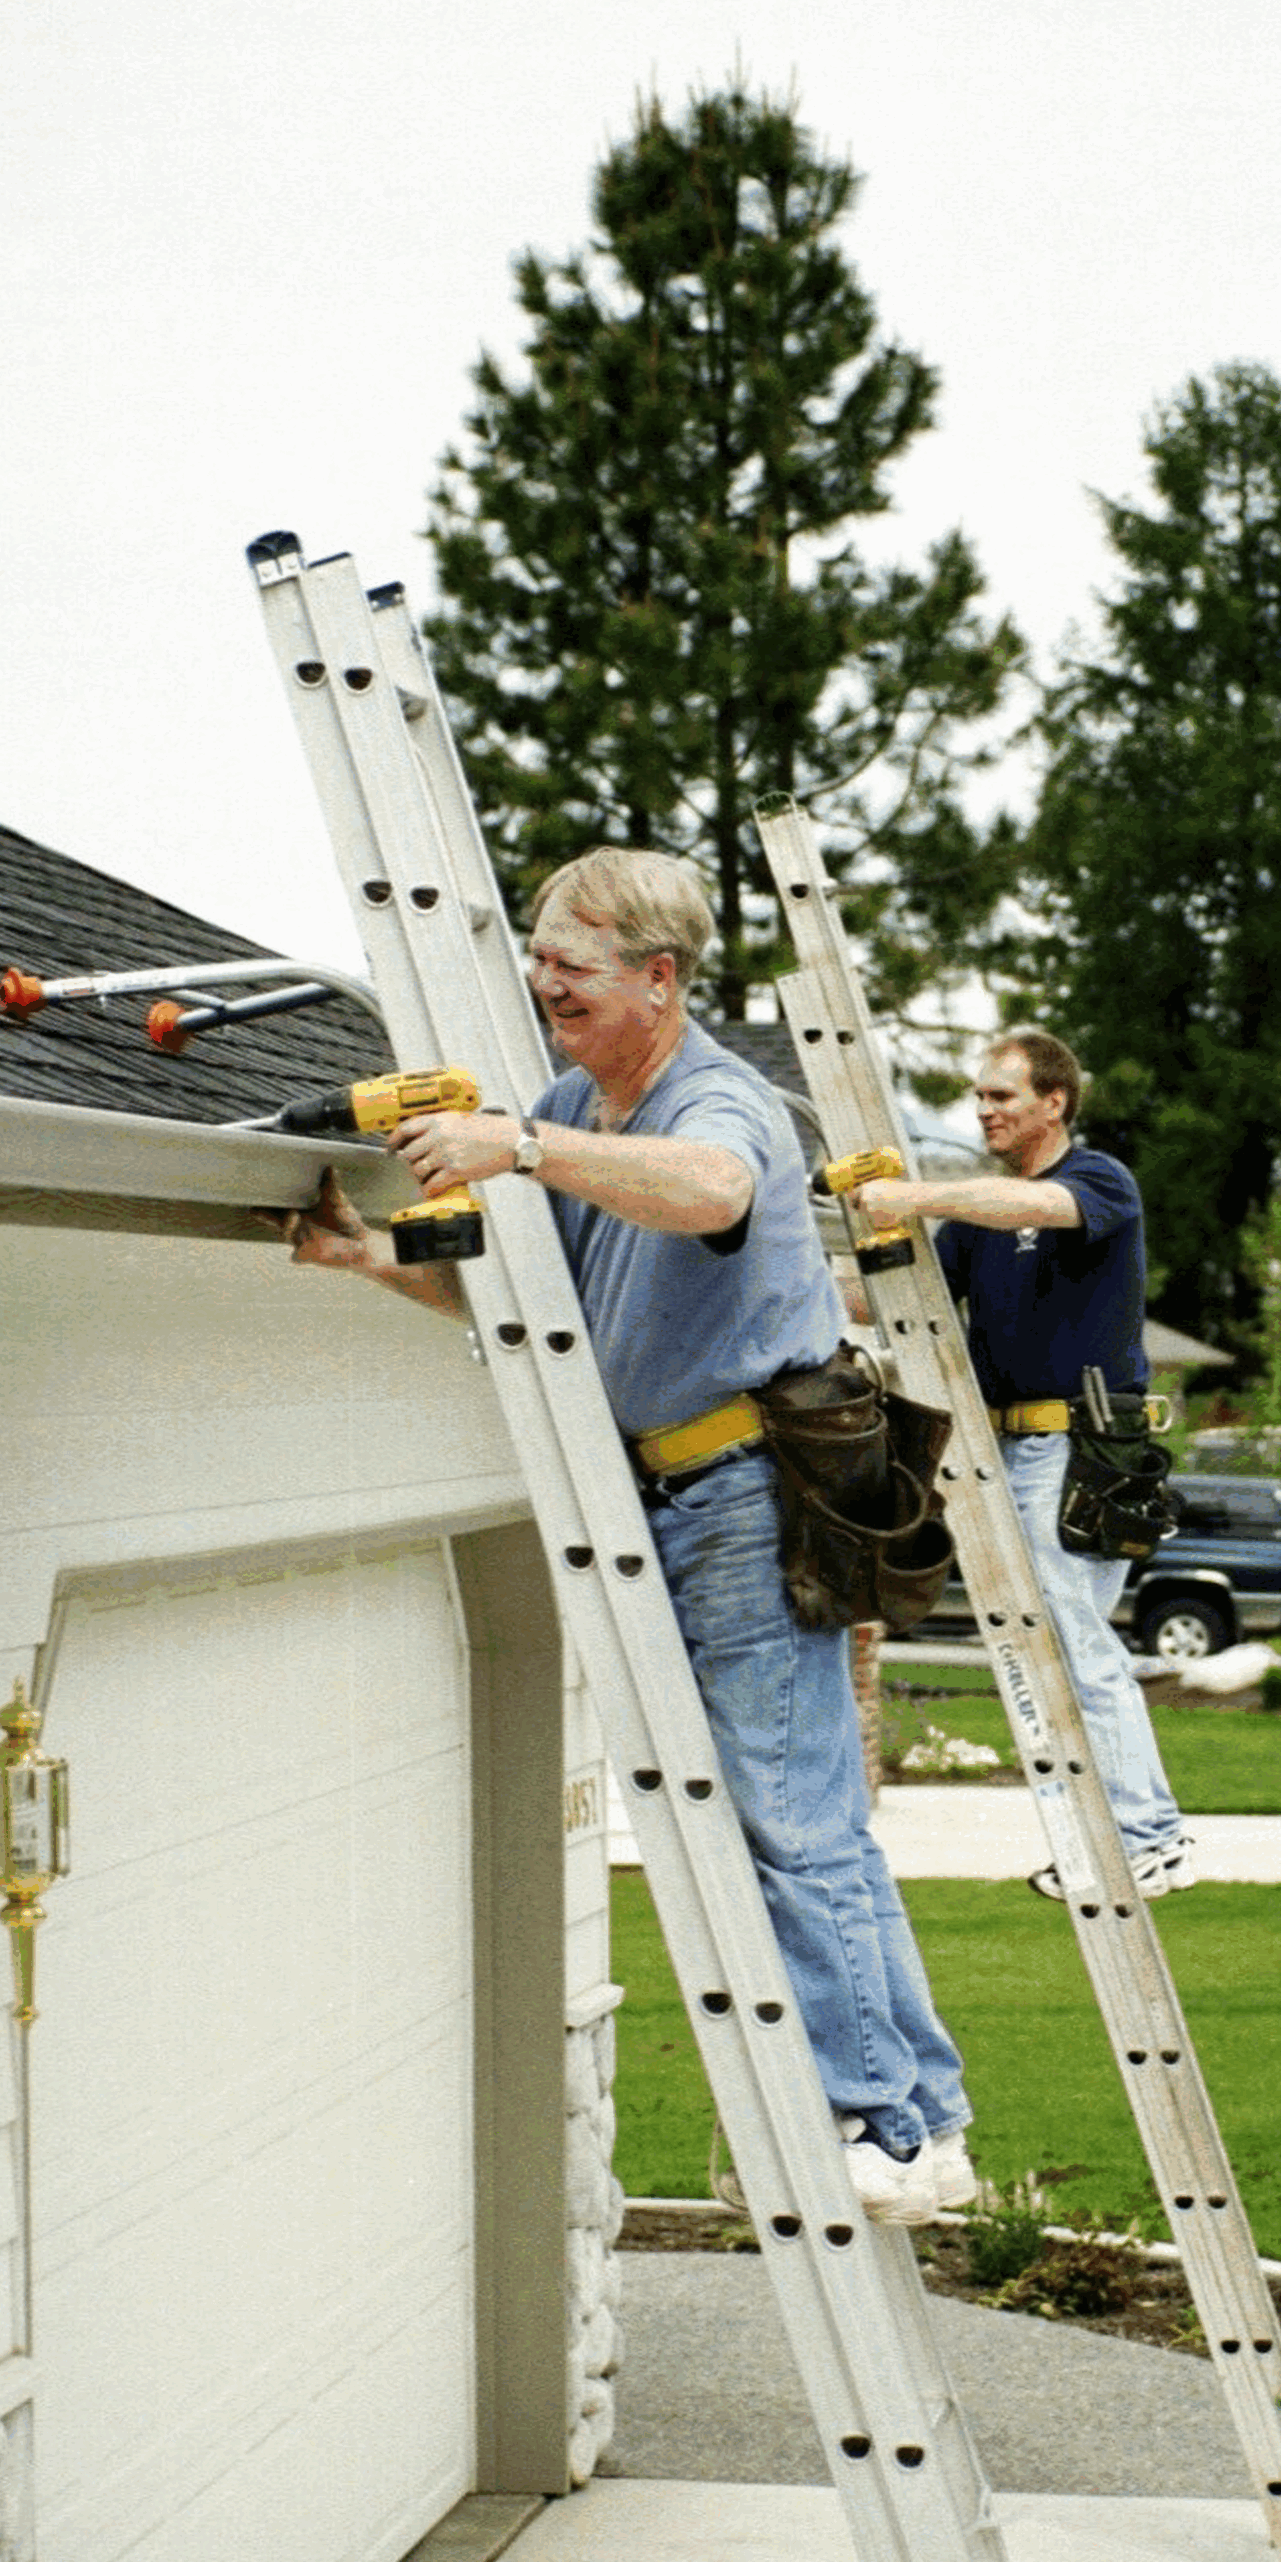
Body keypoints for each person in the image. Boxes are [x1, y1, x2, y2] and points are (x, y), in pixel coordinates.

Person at [272, 846, 973, 2227]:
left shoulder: (717, 1104)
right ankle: (919, 2114)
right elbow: (533, 1305)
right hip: (664, 1495)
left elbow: (710, 1190)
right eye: (537, 962)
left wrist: (521, 1149)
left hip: (741, 1499)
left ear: (659, 979)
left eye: (571, 968)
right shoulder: (580, 1102)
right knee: (811, 1820)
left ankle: (882, 2118)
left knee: (793, 1821)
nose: (542, 987)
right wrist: (378, 1259)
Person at [852, 1031, 1193, 1902]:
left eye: (1002, 1095)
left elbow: (1028, 1210)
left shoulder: (1096, 1182)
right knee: (1046, 1653)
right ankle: (1093, 1841)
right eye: (979, 1096)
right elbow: (896, 1295)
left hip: (1077, 1449)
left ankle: (1150, 1835)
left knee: (1073, 1648)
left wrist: (912, 1192)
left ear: (1056, 1102)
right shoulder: (975, 1217)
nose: (984, 1109)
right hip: (1003, 1450)